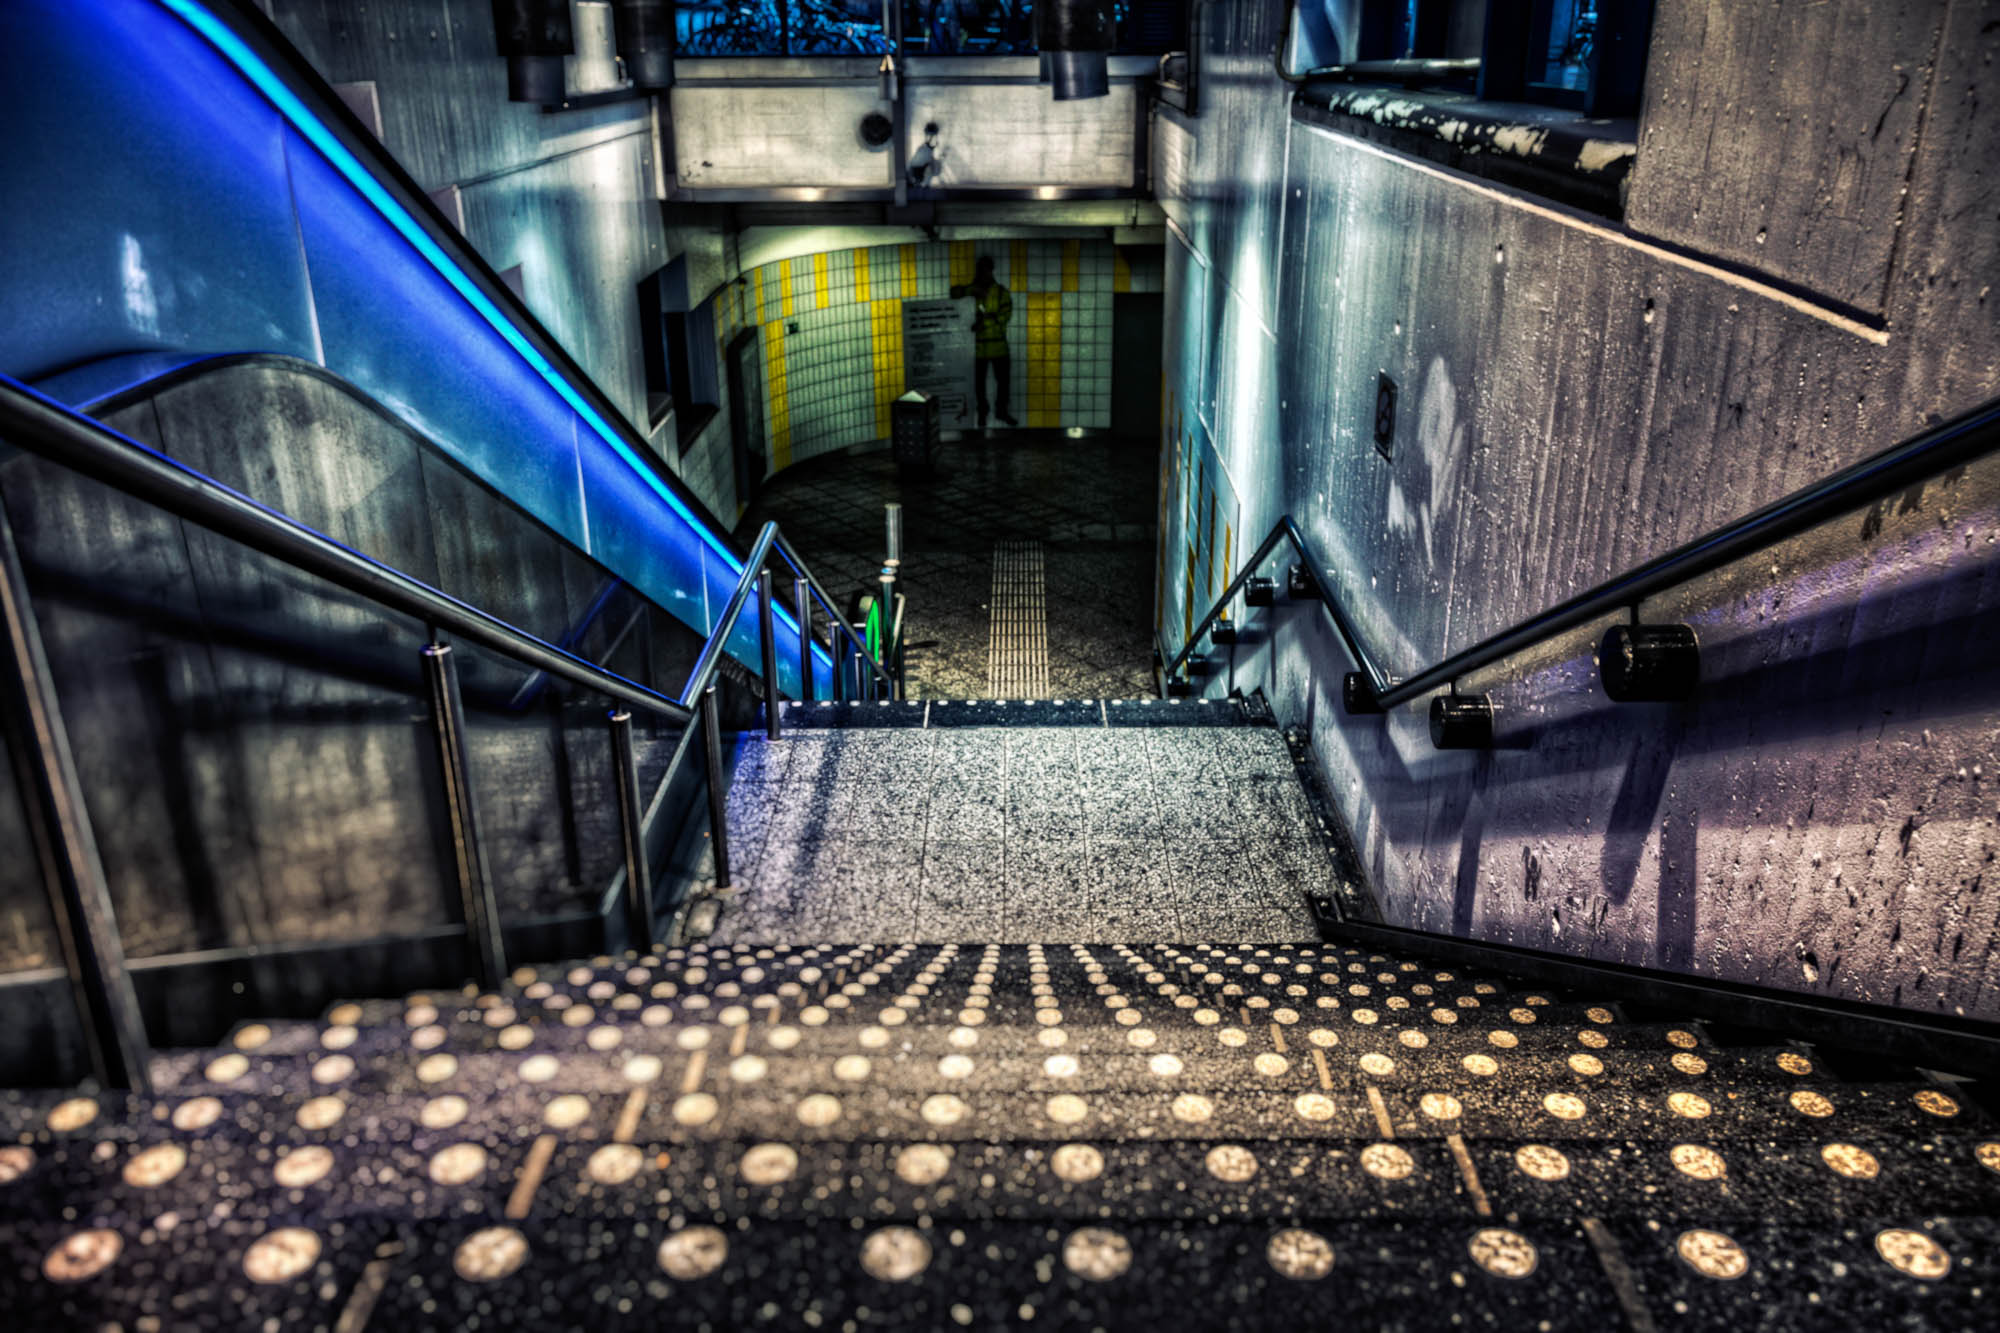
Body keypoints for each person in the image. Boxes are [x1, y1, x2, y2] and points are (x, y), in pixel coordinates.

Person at [950, 255, 1016, 429]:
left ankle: (1001, 411)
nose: (982, 273)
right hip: (978, 348)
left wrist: (982, 322)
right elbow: (953, 293)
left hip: (998, 347)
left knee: (1003, 383)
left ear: (991, 270)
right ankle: (983, 411)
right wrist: (970, 289)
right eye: (980, 270)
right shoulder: (973, 291)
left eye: (985, 269)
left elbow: (1004, 317)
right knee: (978, 384)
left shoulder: (1002, 292)